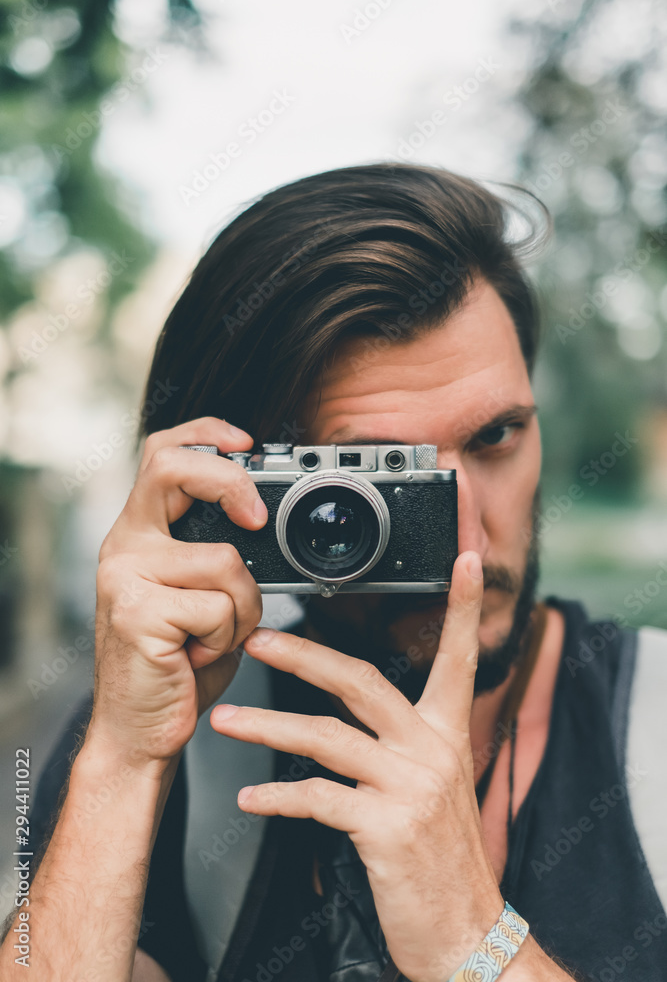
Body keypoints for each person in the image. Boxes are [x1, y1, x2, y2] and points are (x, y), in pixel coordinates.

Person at [1, 163, 666, 982]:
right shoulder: (173, 733)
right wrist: (123, 763)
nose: (462, 541)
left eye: (495, 437)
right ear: (244, 491)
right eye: (377, 483)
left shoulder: (652, 728)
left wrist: (476, 941)